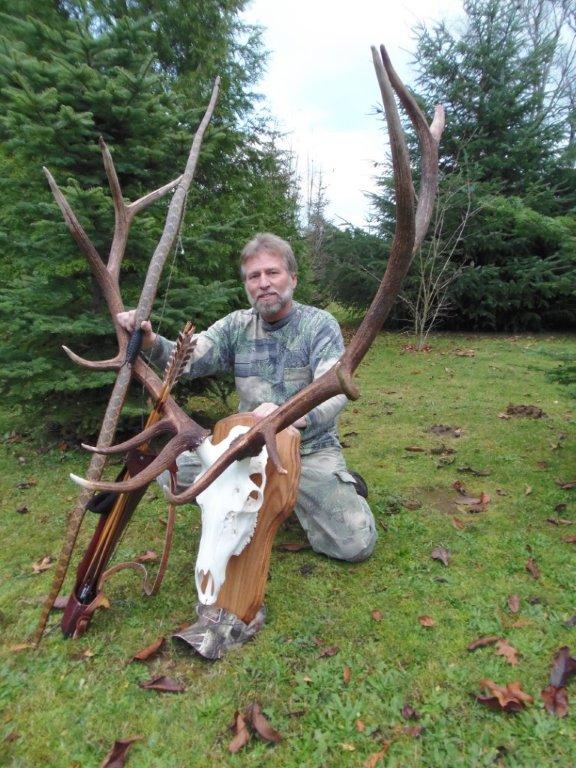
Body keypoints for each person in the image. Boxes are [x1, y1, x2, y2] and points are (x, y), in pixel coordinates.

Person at [117, 232, 376, 564]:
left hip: (307, 450)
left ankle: (340, 487)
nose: (264, 283)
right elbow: (190, 360)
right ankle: (269, 494)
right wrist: (151, 342)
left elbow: (335, 390)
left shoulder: (319, 325)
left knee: (354, 544)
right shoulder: (235, 326)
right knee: (173, 474)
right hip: (245, 447)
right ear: (247, 286)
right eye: (254, 276)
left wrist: (288, 415)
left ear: (293, 279)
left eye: (273, 272)